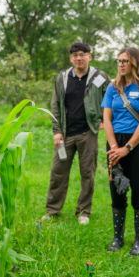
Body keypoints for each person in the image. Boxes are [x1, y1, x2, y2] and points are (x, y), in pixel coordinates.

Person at [100, 46, 139, 255]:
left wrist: (126, 149)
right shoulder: (113, 87)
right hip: (115, 144)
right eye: (119, 61)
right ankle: (118, 238)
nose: (121, 64)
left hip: (138, 144)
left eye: (125, 61)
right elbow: (106, 119)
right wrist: (114, 147)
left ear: (135, 62)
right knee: (117, 190)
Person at [45, 41, 110, 224]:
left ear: (90, 56)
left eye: (82, 54)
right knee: (58, 172)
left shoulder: (100, 76)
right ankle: (52, 211)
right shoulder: (63, 77)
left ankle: (83, 213)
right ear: (71, 58)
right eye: (75, 55)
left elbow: (113, 97)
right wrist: (57, 131)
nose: (79, 58)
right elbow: (55, 105)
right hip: (65, 134)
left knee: (87, 173)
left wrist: (105, 121)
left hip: (87, 133)